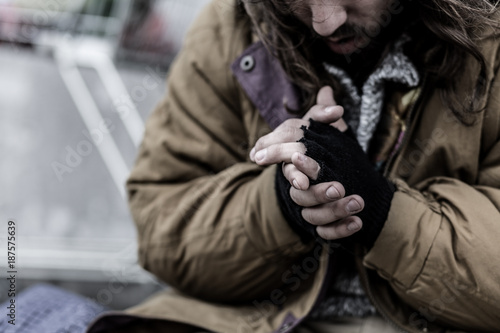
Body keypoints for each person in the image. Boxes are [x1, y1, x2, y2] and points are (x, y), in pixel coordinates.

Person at [87, 0, 500, 332]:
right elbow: (162, 229)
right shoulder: (229, 26)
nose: (325, 21)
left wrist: (380, 212)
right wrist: (282, 205)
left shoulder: (492, 38)